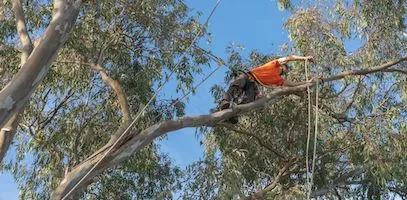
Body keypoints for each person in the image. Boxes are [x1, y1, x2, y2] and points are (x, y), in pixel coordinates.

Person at [218, 55, 314, 123]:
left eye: (284, 72)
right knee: (237, 84)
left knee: (248, 101)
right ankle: (224, 102)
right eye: (283, 69)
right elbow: (290, 58)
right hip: (248, 76)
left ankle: (233, 114)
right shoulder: (274, 64)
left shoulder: (279, 79)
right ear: (281, 65)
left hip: (253, 85)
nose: (282, 72)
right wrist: (304, 58)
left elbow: (293, 84)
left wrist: (308, 82)